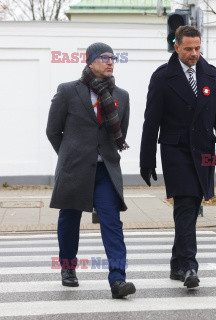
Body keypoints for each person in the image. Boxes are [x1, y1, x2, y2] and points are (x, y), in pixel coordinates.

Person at [140, 26, 216, 289]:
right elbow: (151, 121)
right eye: (188, 48)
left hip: (204, 151)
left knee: (190, 207)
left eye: (198, 48)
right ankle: (190, 266)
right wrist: (147, 160)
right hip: (176, 151)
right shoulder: (162, 77)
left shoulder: (212, 75)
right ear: (176, 47)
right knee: (186, 203)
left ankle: (177, 263)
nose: (194, 53)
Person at [46, 42, 135, 299]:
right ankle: (68, 268)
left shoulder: (122, 95)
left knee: (111, 222)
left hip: (105, 169)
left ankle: (118, 279)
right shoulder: (67, 91)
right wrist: (70, 154)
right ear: (90, 61)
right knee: (70, 218)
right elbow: (53, 131)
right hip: (74, 167)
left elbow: (121, 133)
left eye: (112, 58)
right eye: (104, 58)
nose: (110, 62)